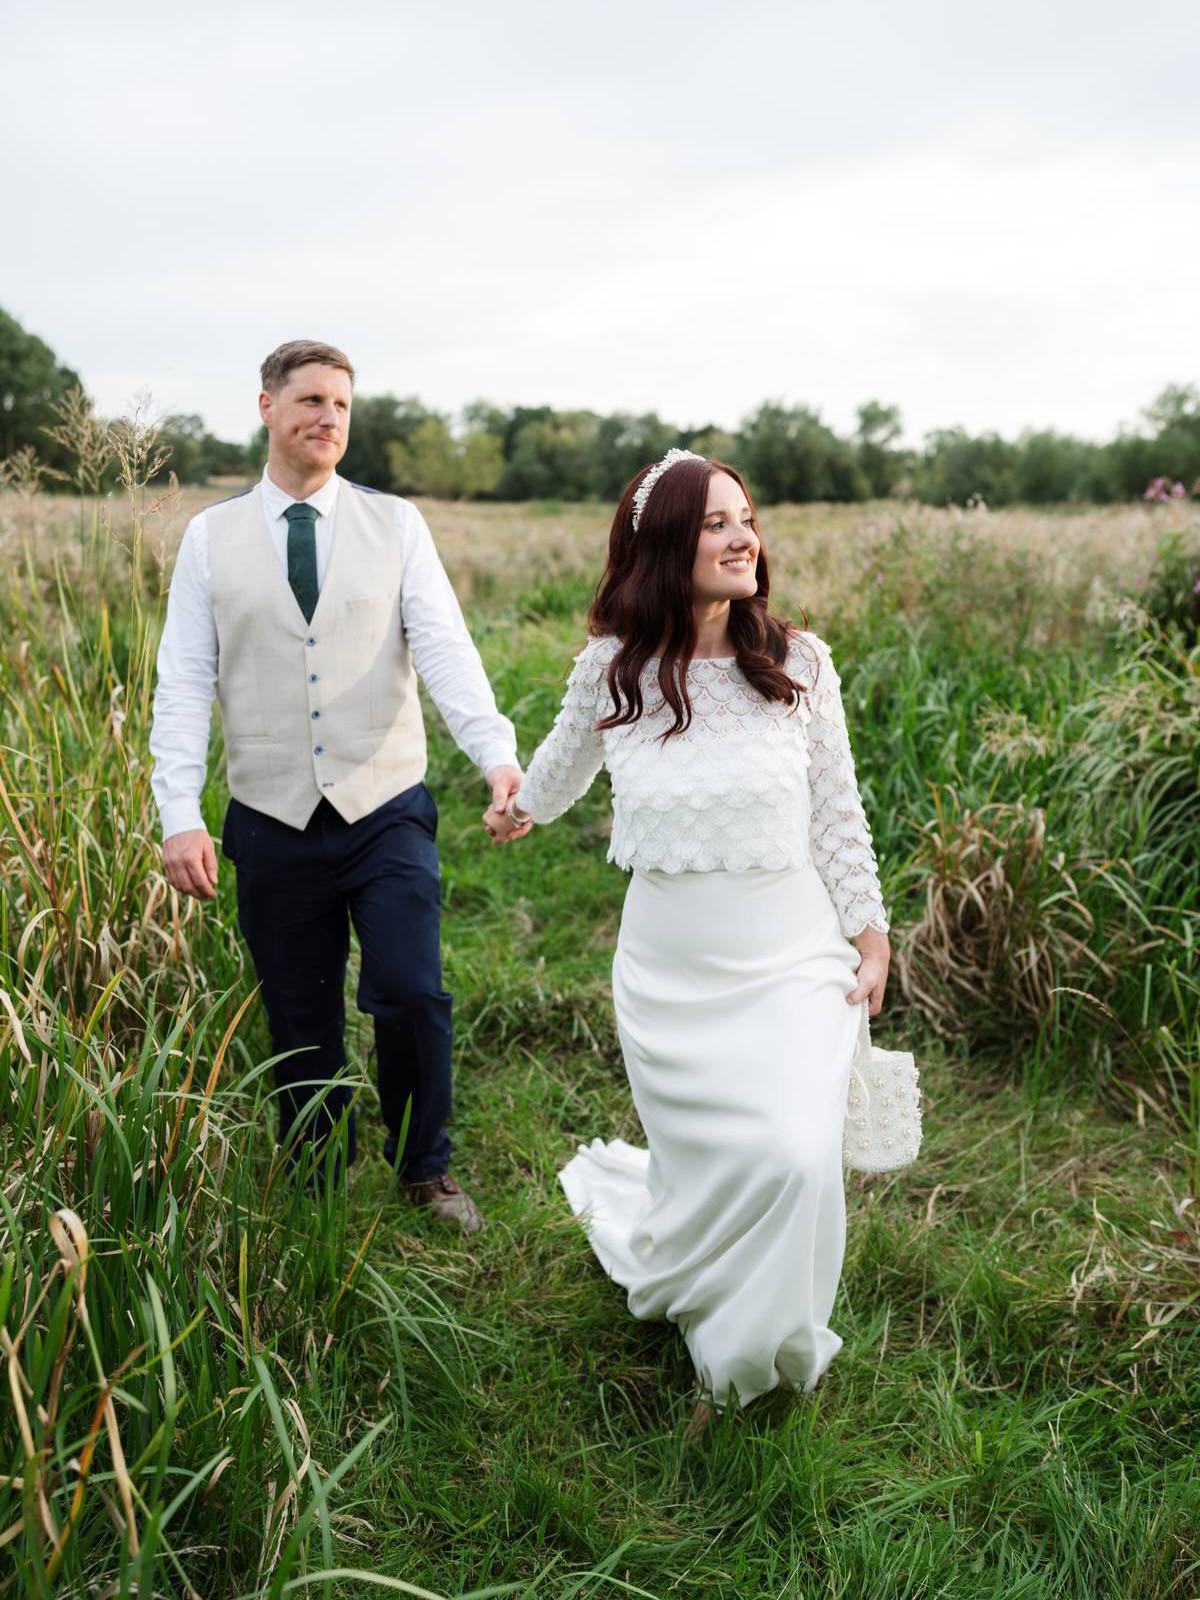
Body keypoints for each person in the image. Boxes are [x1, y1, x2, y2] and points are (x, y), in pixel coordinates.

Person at [485, 448, 891, 1416]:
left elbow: (839, 809)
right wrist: (518, 808)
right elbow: (558, 768)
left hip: (792, 953)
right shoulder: (614, 669)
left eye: (745, 517)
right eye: (715, 521)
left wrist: (871, 932)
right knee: (716, 1163)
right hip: (672, 972)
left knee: (794, 1155)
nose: (743, 535)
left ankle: (747, 1360)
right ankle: (714, 1305)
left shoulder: (800, 663)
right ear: (666, 542)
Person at [150, 339, 523, 1232]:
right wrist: (178, 814)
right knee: (298, 1012)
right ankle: (315, 1177)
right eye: (310, 399)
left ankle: (422, 1167)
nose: (328, 418)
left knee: (410, 990)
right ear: (267, 407)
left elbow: (444, 649)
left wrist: (496, 755)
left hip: (384, 804)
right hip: (270, 816)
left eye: (342, 406)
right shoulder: (210, 538)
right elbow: (184, 683)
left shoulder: (396, 525)